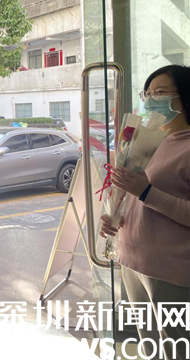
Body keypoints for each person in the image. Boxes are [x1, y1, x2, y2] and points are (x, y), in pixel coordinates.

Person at [100, 65, 190, 360]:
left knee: (176, 348)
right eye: (147, 93)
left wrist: (147, 192)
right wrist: (113, 215)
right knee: (149, 346)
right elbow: (131, 192)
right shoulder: (148, 140)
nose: (151, 99)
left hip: (170, 268)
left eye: (160, 92)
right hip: (132, 259)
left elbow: (146, 192)